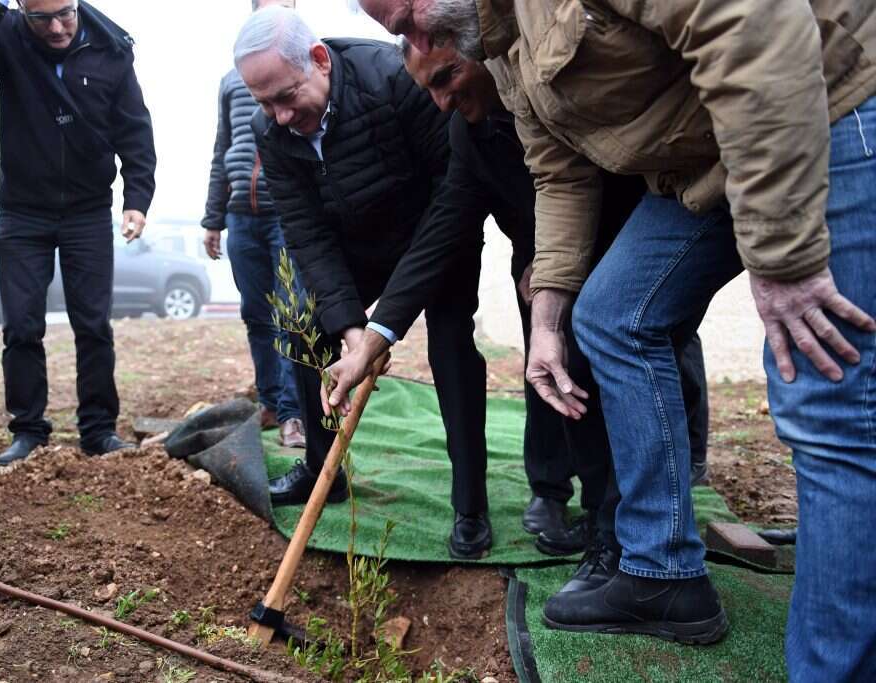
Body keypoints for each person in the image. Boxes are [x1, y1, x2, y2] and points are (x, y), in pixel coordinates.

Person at [359, 0, 876, 671]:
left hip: (823, 99)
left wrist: (784, 256)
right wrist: (548, 319)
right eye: (398, 33)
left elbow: (753, 26)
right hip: (711, 157)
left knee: (828, 404)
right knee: (608, 318)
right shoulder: (500, 41)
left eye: (410, 14)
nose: (420, 39)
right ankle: (664, 571)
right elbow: (558, 169)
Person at [328, 41, 708, 574]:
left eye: (447, 76)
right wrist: (374, 338)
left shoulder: (560, 88)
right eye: (428, 89)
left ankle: (644, 532)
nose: (441, 102)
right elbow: (441, 233)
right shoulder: (470, 134)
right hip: (545, 256)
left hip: (639, 233)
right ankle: (598, 521)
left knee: (624, 351)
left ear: (484, 50)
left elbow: (614, 179)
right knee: (556, 367)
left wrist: (570, 264)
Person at [234, 6, 492, 559]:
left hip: (436, 235)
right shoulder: (271, 132)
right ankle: (322, 467)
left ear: (320, 60)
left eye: (286, 96)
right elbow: (307, 234)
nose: (280, 116)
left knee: (451, 344)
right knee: (307, 323)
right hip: (360, 245)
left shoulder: (394, 80)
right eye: (265, 103)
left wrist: (384, 328)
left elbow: (454, 191)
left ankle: (471, 502)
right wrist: (352, 329)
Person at [0, 0, 156, 466]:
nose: (57, 27)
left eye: (65, 13)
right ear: (21, 9)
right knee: (21, 326)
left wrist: (137, 200)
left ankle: (98, 430)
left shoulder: (111, 49)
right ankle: (28, 431)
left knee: (93, 326)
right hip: (22, 212)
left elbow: (135, 131)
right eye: (41, 18)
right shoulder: (5, 36)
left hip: (88, 211)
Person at [204, 0, 305, 449]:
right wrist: (213, 217)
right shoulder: (231, 81)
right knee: (255, 314)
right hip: (240, 217)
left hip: (288, 214)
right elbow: (221, 147)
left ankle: (293, 413)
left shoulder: (304, 71)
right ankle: (269, 401)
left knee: (291, 314)